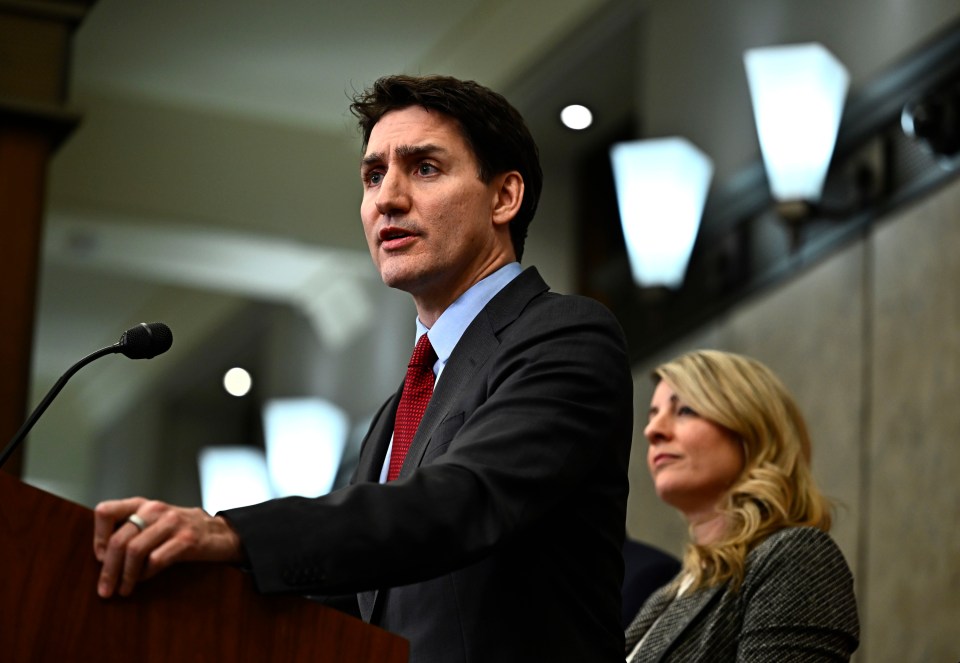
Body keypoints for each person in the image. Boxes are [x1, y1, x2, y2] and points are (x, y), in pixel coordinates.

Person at [93, 74, 634, 663]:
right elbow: (353, 603)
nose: (387, 199)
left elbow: (461, 503)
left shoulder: (565, 335)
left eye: (424, 168)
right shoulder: (401, 405)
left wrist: (235, 533)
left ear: (504, 197)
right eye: (374, 175)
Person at [625, 349, 859, 662]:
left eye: (685, 410)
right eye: (652, 414)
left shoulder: (793, 557)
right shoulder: (668, 594)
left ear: (752, 430)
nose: (652, 431)